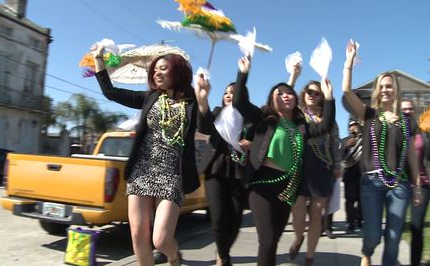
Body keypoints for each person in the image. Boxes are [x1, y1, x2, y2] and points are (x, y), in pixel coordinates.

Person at [93, 46, 200, 266]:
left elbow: (205, 123)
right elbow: (111, 93)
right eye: (154, 70)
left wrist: (204, 96)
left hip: (171, 175)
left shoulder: (190, 102)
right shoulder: (149, 98)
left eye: (163, 69)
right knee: (138, 234)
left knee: (160, 239)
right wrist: (98, 60)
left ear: (177, 73)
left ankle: (174, 256)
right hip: (142, 170)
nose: (156, 73)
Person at [233, 56, 335, 266]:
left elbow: (324, 126)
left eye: (289, 93)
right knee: (267, 241)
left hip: (287, 187)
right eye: (280, 93)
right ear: (272, 99)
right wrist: (243, 74)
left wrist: (330, 98)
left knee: (275, 239)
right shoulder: (264, 118)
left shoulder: (301, 126)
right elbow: (239, 102)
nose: (286, 96)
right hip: (262, 185)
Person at [342, 41, 421, 266]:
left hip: (400, 184)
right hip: (371, 182)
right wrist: (349, 63)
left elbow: (412, 156)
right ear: (378, 90)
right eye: (382, 86)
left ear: (396, 89)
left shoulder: (407, 121)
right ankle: (367, 251)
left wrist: (416, 185)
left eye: (390, 85)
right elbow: (347, 91)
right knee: (374, 235)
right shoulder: (368, 114)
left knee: (394, 239)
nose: (386, 89)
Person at [194, 75, 259, 266]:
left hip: (240, 173)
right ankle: (223, 257)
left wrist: (252, 144)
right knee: (218, 219)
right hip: (215, 171)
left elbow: (263, 141)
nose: (229, 95)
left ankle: (223, 251)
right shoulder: (217, 112)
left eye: (233, 92)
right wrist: (202, 97)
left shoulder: (251, 118)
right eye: (226, 93)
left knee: (236, 220)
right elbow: (204, 125)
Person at [290, 80, 341, 262]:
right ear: (303, 94)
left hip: (322, 168)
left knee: (316, 215)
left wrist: (337, 166)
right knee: (297, 212)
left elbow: (335, 142)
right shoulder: (296, 115)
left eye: (317, 93)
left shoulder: (329, 118)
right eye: (309, 92)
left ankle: (310, 257)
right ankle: (298, 237)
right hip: (300, 169)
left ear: (322, 97)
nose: (312, 95)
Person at [401, 99, 430, 266]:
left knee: (416, 229)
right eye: (404, 109)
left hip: (422, 186)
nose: (407, 112)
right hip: (401, 186)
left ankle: (415, 263)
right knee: (395, 228)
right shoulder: (395, 132)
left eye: (410, 109)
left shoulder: (423, 133)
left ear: (414, 111)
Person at [341, 120, 363, 232]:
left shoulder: (364, 140)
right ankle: (350, 222)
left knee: (361, 200)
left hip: (362, 174)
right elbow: (340, 156)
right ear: (349, 128)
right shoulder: (344, 140)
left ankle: (359, 221)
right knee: (349, 200)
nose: (354, 127)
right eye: (351, 126)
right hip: (349, 174)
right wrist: (346, 146)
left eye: (356, 125)